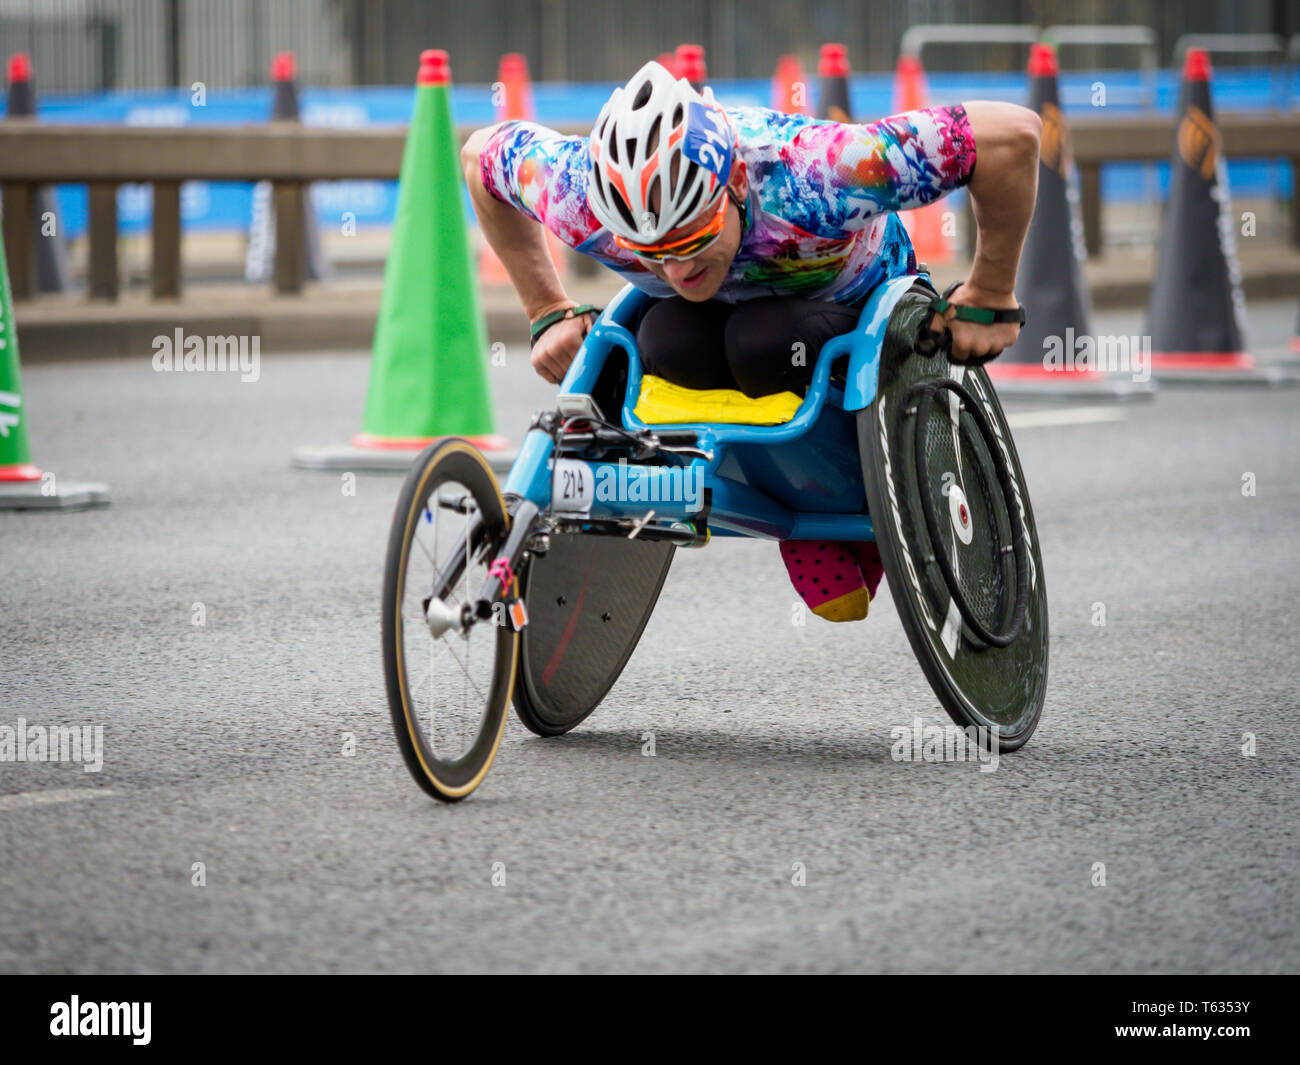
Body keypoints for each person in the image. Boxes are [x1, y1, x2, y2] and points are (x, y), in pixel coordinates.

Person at [462, 60, 1040, 622]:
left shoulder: (818, 171)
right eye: (651, 252)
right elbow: (480, 159)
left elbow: (1011, 137)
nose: (675, 267)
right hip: (714, 324)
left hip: (847, 308)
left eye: (691, 237)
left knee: (761, 343)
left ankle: (828, 492)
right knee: (662, 342)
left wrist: (990, 291)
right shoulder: (578, 194)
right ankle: (774, 476)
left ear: (735, 182)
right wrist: (548, 310)